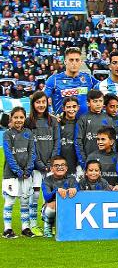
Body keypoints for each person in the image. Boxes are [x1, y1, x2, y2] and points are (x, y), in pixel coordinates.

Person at [26, 91, 60, 236]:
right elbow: (29, 146)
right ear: (33, 104)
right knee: (34, 195)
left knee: (52, 196)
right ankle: (33, 224)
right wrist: (39, 163)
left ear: (47, 103)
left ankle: (49, 223)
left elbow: (57, 141)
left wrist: (51, 162)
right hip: (35, 166)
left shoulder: (52, 121)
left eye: (43, 102)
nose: (41, 105)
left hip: (51, 165)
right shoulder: (28, 122)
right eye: (38, 102)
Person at [2, 107, 36, 239]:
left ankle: (25, 228)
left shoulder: (28, 133)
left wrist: (28, 169)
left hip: (26, 174)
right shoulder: (7, 134)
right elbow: (9, 154)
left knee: (25, 201)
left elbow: (32, 152)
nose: (18, 120)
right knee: (10, 201)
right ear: (11, 118)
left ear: (24, 118)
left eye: (21, 117)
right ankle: (7, 229)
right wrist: (18, 171)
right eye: (16, 117)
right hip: (11, 174)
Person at [45, 47, 97, 117]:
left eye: (77, 60)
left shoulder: (88, 78)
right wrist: (49, 115)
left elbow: (104, 88)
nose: (74, 63)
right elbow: (41, 99)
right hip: (63, 124)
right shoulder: (54, 80)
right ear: (65, 61)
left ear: (81, 62)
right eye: (71, 60)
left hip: (85, 124)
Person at [75, 90, 114, 172]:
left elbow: (112, 142)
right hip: (88, 162)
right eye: (95, 101)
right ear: (88, 103)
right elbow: (78, 142)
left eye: (100, 101)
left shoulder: (108, 119)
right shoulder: (83, 119)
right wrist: (83, 163)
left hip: (106, 164)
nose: (98, 104)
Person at [41, 155, 79, 238]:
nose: (60, 167)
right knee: (53, 204)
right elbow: (47, 197)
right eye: (56, 165)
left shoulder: (72, 179)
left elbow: (80, 191)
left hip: (68, 206)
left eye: (62, 165)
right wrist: (56, 191)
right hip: (52, 207)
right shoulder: (47, 180)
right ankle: (48, 226)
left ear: (66, 168)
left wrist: (75, 189)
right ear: (51, 169)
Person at [59, 97, 79, 178]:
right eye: (68, 107)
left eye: (74, 106)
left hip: (76, 164)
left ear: (78, 107)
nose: (72, 109)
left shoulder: (81, 123)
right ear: (63, 108)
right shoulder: (57, 123)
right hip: (60, 163)